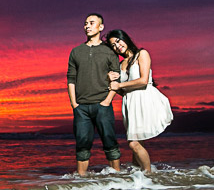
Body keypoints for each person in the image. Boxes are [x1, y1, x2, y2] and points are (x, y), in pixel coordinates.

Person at [106, 29, 173, 173]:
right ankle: (138, 178)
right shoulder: (120, 65)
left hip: (144, 99)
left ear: (125, 38)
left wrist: (119, 85)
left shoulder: (142, 54)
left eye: (118, 41)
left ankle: (148, 175)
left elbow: (143, 81)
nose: (117, 46)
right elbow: (122, 91)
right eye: (113, 45)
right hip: (130, 104)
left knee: (133, 143)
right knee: (137, 142)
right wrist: (111, 83)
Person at [67, 13, 122, 175]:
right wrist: (74, 104)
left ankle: (118, 179)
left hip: (102, 104)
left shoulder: (109, 51)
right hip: (81, 107)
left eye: (92, 23)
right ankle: (81, 181)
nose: (87, 26)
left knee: (109, 141)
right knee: (82, 144)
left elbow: (115, 78)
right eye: (85, 23)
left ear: (101, 27)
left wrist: (107, 101)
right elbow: (71, 79)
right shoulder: (76, 51)